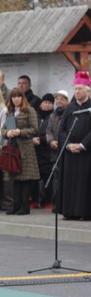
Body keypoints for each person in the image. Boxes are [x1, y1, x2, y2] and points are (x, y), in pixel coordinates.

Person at [58, 72, 91, 221]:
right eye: (75, 89)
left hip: (86, 152)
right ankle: (69, 211)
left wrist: (83, 145)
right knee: (70, 181)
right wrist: (69, 145)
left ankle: (84, 212)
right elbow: (62, 129)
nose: (77, 92)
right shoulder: (70, 108)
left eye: (80, 89)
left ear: (88, 90)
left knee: (84, 182)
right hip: (70, 151)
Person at [1, 88, 39, 215]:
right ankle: (15, 204)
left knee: (25, 178)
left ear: (22, 98)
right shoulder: (9, 112)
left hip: (26, 148)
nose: (16, 99)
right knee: (15, 178)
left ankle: (24, 205)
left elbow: (34, 129)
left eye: (18, 97)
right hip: (13, 148)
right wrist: (8, 133)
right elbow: (3, 130)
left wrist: (20, 132)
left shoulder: (29, 110)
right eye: (13, 97)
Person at [33, 93, 55, 207]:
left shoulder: (53, 117)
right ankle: (35, 201)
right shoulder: (35, 115)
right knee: (34, 177)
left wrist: (41, 140)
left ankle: (49, 201)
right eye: (45, 102)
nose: (47, 105)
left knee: (47, 177)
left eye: (50, 103)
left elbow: (53, 133)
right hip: (34, 150)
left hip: (47, 151)